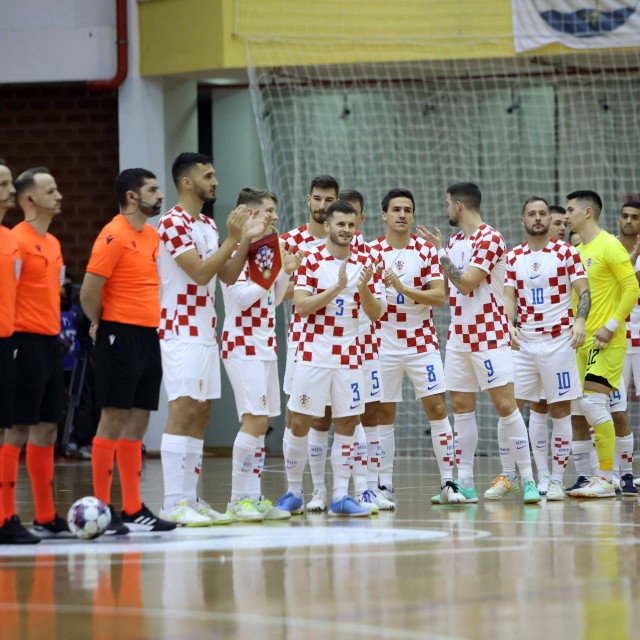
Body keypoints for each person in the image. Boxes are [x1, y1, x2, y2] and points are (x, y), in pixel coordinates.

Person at [156, 153, 266, 526]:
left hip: (205, 330)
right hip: (179, 329)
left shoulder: (205, 223)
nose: (215, 181)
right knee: (183, 410)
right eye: (208, 175)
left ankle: (191, 497)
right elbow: (200, 274)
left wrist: (245, 242)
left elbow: (228, 275)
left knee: (201, 413)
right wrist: (233, 237)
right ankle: (173, 502)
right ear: (187, 182)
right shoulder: (171, 223)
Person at [420, 182, 541, 504]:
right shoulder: (457, 240)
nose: (446, 209)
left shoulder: (491, 237)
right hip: (459, 337)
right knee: (461, 409)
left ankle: (528, 480)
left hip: (489, 336)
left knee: (505, 406)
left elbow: (467, 282)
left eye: (447, 203)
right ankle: (465, 483)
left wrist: (439, 252)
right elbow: (446, 292)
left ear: (458, 205)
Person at [80, 168, 176, 533]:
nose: (159, 195)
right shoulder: (112, 234)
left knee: (139, 420)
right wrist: (102, 324)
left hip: (148, 335)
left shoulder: (150, 235)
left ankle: (133, 508)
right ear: (132, 197)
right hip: (118, 335)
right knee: (113, 417)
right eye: (152, 190)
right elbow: (89, 291)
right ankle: (103, 508)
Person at [276, 201, 382, 516]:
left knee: (348, 422)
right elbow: (302, 306)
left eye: (351, 225)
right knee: (300, 421)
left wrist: (363, 292)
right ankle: (294, 491)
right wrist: (336, 288)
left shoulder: (367, 261)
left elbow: (377, 314)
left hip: (350, 355)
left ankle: (340, 497)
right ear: (328, 227)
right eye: (340, 225)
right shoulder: (310, 260)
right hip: (313, 352)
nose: (346, 231)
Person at [369, 189, 463, 505]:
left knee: (437, 409)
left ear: (412, 215)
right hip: (382, 345)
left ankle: (449, 483)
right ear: (384, 215)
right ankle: (383, 485)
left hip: (422, 344)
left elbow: (439, 297)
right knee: (384, 412)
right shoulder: (371, 253)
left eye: (407, 210)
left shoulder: (425, 251)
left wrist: (402, 288)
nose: (401, 215)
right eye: (395, 209)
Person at [499, 197, 589, 501]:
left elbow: (583, 291)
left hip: (558, 343)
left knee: (560, 410)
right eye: (531, 214)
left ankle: (557, 480)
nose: (537, 218)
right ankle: (536, 476)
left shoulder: (566, 253)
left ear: (550, 221)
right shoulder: (513, 257)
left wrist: (580, 321)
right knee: (514, 407)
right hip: (523, 343)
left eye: (542, 214)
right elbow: (509, 297)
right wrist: (508, 323)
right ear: (522, 221)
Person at [222, 187, 302, 521]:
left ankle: (252, 497)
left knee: (263, 421)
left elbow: (277, 296)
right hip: (242, 345)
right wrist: (273, 276)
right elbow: (242, 297)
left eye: (274, 211)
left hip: (265, 345)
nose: (274, 217)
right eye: (267, 211)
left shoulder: (265, 253)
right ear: (249, 214)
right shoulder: (235, 253)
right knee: (253, 419)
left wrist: (285, 270)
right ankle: (237, 499)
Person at [1, 167, 72, 538]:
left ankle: (45, 515)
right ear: (31, 200)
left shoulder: (55, 244)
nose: (59, 195)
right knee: (16, 428)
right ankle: (6, 516)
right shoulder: (16, 240)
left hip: (50, 343)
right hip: (21, 342)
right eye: (51, 190)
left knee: (46, 429)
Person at [564, 190, 639, 498]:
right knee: (581, 410)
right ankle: (592, 477)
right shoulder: (576, 250)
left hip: (607, 343)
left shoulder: (609, 245)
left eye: (569, 210)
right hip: (578, 343)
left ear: (587, 213)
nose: (565, 216)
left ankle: (606, 478)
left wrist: (610, 326)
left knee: (596, 405)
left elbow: (631, 288)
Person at [280, 175, 338, 513]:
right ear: (308, 200)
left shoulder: (350, 241)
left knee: (332, 417)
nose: (322, 206)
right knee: (297, 417)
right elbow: (277, 293)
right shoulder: (290, 242)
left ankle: (323, 492)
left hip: (342, 344)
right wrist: (306, 284)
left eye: (329, 200)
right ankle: (294, 491)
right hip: (302, 342)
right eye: (317, 198)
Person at [337, 189, 394, 511]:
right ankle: (327, 490)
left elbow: (378, 309)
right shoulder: (316, 253)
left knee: (369, 410)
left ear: (361, 218)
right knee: (321, 417)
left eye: (355, 216)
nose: (349, 225)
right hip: (327, 349)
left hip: (368, 346)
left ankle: (369, 486)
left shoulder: (371, 255)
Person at [0, 160, 40, 544]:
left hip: (7, 342)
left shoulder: (10, 238)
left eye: (11, 183)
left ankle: (6, 516)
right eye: (3, 184)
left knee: (10, 429)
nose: (10, 190)